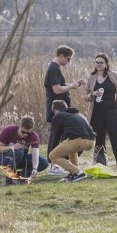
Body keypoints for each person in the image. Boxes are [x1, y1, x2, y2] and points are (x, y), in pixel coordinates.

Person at [83, 53, 117, 173]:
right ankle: (100, 162)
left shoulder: (113, 75)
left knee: (115, 135)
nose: (98, 64)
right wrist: (92, 94)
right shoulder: (91, 77)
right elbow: (85, 96)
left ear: (106, 64)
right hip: (96, 111)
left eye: (101, 62)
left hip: (111, 109)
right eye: (96, 62)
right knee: (99, 137)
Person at [44, 45, 85, 175]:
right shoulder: (54, 69)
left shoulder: (55, 68)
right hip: (56, 107)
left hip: (60, 108)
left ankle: (61, 164)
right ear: (61, 56)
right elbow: (57, 89)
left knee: (63, 135)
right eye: (68, 59)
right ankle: (54, 165)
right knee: (55, 136)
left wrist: (73, 84)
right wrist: (70, 86)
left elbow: (60, 85)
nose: (69, 62)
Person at [48, 100, 96, 182]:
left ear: (56, 111)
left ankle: (77, 171)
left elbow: (54, 137)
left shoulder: (58, 115)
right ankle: (74, 173)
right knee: (71, 148)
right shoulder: (79, 114)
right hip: (92, 141)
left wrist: (51, 158)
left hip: (78, 140)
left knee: (53, 155)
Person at [0, 116, 49, 184]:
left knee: (44, 162)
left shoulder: (34, 137)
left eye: (28, 133)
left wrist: (35, 169)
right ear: (20, 126)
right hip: (4, 158)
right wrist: (11, 147)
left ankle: (20, 176)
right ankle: (10, 179)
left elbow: (35, 155)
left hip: (20, 158)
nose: (25, 135)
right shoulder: (9, 130)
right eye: (23, 132)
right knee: (19, 150)